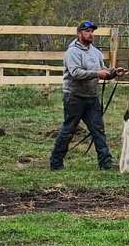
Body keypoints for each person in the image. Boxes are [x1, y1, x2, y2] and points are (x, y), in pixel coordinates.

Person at [50, 20, 123, 170]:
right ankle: (56, 163)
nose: (91, 34)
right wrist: (97, 73)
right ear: (79, 33)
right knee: (68, 129)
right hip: (74, 97)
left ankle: (106, 163)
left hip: (91, 97)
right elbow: (75, 73)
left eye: (92, 32)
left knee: (98, 129)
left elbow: (102, 71)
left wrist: (113, 73)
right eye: (87, 31)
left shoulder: (95, 52)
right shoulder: (72, 52)